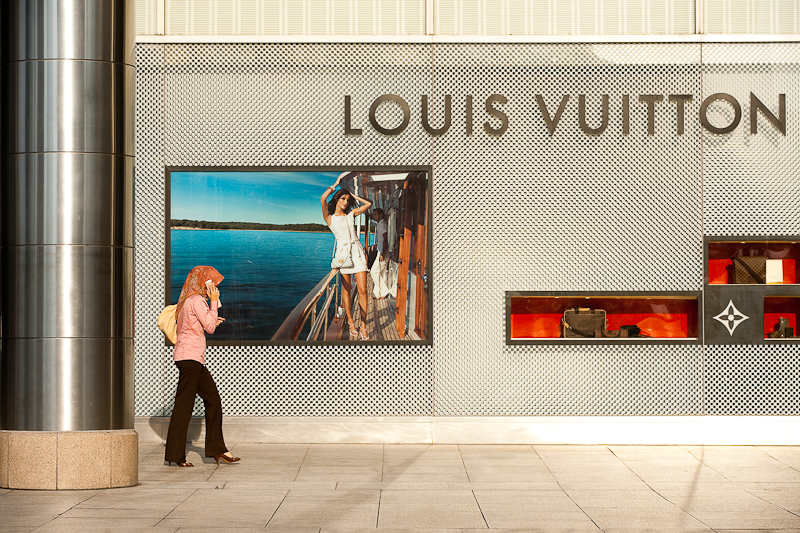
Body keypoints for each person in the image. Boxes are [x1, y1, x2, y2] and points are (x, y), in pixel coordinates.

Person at [164, 266, 240, 467]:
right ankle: (176, 456)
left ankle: (218, 450)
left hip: (190, 359)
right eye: (212, 283)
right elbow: (210, 328)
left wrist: (213, 315)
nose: (214, 287)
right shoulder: (197, 300)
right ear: (204, 282)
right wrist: (214, 303)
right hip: (191, 360)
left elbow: (197, 324)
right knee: (184, 407)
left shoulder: (188, 301)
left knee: (212, 401)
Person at [321, 175, 373, 340]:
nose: (345, 202)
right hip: (343, 256)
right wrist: (335, 185)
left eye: (347, 200)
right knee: (346, 289)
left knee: (363, 290)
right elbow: (322, 198)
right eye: (342, 198)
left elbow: (369, 204)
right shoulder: (329, 218)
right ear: (336, 199)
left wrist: (353, 195)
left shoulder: (351, 214)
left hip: (357, 253)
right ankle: (351, 322)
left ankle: (363, 326)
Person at [369, 208, 391, 300]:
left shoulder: (382, 225)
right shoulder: (380, 224)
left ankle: (385, 291)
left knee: (373, 272)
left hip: (383, 252)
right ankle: (377, 294)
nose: (373, 216)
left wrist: (383, 253)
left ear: (380, 215)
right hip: (381, 251)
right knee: (380, 273)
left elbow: (386, 239)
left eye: (375, 214)